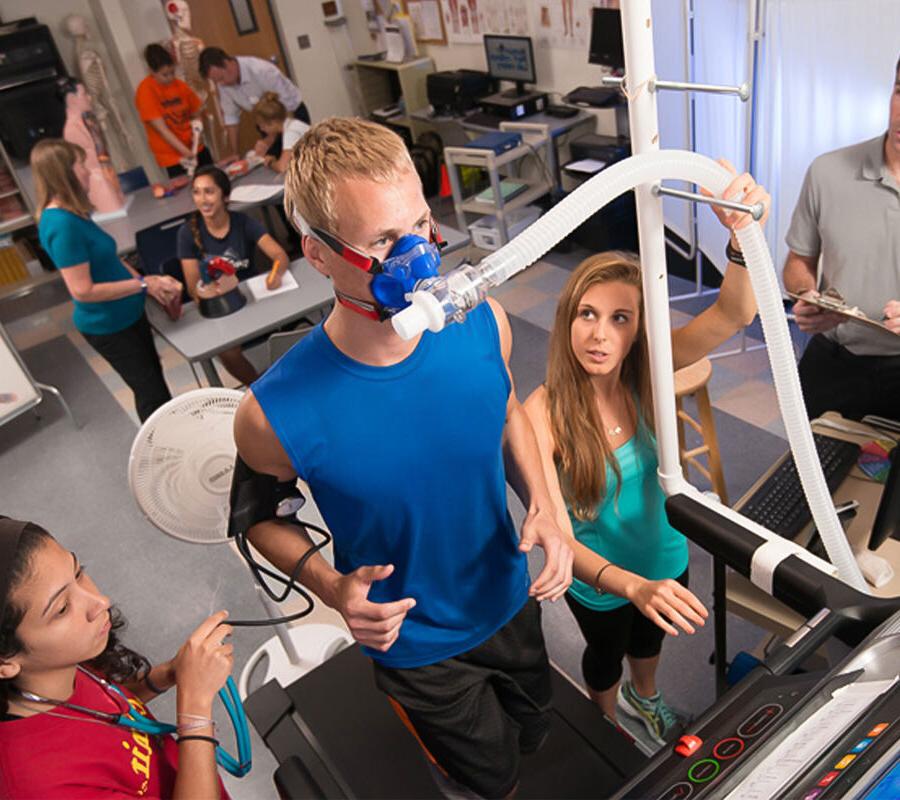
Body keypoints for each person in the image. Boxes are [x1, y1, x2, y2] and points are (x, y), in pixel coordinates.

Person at [232, 117, 573, 799]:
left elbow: (504, 410)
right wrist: (333, 589)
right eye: (384, 240)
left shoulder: (482, 322)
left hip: (509, 595)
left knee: (538, 730)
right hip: (415, 644)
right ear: (321, 255)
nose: (418, 255)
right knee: (491, 778)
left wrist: (546, 503)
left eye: (419, 224)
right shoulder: (274, 411)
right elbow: (259, 517)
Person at [524, 167, 768, 745]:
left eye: (619, 318)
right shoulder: (544, 411)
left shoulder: (650, 375)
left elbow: (734, 314)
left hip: (664, 552)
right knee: (605, 658)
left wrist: (739, 237)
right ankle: (607, 722)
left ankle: (647, 696)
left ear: (638, 331)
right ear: (567, 321)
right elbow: (557, 536)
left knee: (649, 644)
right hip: (601, 579)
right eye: (587, 314)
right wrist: (630, 586)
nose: (599, 335)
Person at [0, 516, 232, 798]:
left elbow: (103, 710)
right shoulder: (39, 787)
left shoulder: (63, 662)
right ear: (6, 662)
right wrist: (195, 706)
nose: (100, 603)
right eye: (62, 609)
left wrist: (167, 674)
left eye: (78, 573)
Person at [783, 55, 900, 421]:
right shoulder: (827, 171)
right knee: (810, 473)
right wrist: (806, 295)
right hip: (834, 363)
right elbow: (798, 263)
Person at [32, 138, 181, 423]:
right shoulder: (61, 225)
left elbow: (109, 259)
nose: (88, 172)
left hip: (127, 314)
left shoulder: (74, 213)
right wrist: (142, 285)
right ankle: (165, 457)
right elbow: (83, 290)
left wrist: (147, 282)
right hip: (108, 326)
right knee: (151, 394)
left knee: (155, 384)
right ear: (64, 173)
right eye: (81, 166)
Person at [177, 165, 289, 386]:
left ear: (225, 196)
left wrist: (275, 274)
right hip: (221, 308)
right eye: (197, 192)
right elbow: (192, 287)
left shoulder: (243, 222)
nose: (202, 199)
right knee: (228, 352)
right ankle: (259, 388)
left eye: (209, 191)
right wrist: (209, 292)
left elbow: (278, 254)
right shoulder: (187, 232)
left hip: (252, 300)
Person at [198, 47, 309, 161]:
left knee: (300, 160)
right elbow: (231, 117)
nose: (220, 84)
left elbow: (286, 108)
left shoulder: (262, 70)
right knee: (272, 159)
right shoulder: (223, 85)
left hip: (291, 116)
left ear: (227, 64)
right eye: (216, 82)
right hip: (267, 124)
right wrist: (235, 153)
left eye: (221, 78)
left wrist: (269, 139)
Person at [135, 43, 214, 178]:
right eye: (165, 75)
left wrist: (198, 135)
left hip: (196, 148)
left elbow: (196, 113)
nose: (170, 78)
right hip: (173, 157)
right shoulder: (145, 91)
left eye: (172, 72)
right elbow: (162, 130)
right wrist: (185, 152)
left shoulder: (180, 85)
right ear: (151, 72)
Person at [252, 92, 309, 174]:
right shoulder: (292, 123)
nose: (261, 129)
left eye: (262, 126)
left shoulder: (290, 132)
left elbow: (283, 167)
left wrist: (270, 162)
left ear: (272, 123)